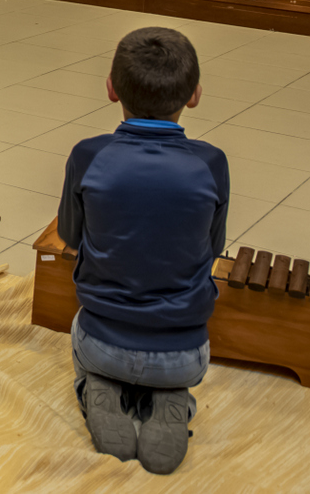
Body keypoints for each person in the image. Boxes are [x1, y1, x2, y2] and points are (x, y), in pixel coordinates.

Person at [59, 27, 228, 475]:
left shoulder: (88, 155)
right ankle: (172, 397)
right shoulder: (212, 163)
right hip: (184, 353)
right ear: (193, 95)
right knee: (173, 354)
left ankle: (95, 387)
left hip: (101, 342)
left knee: (83, 329)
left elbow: (71, 238)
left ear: (111, 89)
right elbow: (212, 248)